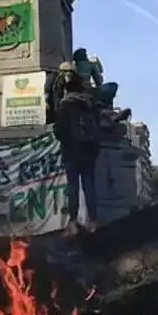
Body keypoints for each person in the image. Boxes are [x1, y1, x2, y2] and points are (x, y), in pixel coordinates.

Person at [53, 72, 101, 236]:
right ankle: (93, 221)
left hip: (72, 150)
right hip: (89, 151)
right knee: (90, 185)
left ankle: (73, 221)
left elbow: (59, 131)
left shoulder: (65, 106)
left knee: (73, 186)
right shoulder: (90, 104)